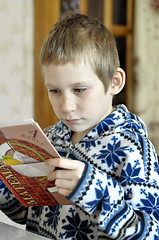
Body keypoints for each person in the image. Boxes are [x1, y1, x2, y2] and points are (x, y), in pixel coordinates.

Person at [0, 11, 159, 239]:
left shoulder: (132, 148)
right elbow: (27, 214)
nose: (66, 106)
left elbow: (150, 233)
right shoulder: (50, 137)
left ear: (114, 82)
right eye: (54, 90)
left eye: (79, 90)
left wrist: (93, 189)